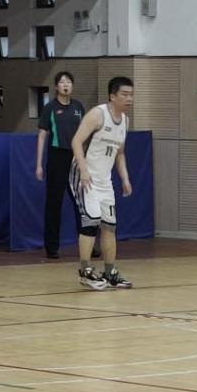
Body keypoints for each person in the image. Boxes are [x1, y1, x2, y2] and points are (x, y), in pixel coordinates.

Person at [70, 76, 135, 290]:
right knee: (91, 222)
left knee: (109, 225)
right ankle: (85, 271)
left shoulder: (125, 121)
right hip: (85, 175)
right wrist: (83, 170)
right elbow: (76, 141)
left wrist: (124, 177)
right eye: (124, 94)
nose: (129, 98)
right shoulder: (98, 114)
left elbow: (120, 153)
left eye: (131, 94)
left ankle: (110, 272)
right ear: (112, 96)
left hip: (105, 180)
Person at [34, 70, 86, 260]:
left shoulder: (78, 107)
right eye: (62, 82)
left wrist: (84, 160)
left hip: (76, 157)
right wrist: (39, 164)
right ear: (56, 86)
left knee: (82, 203)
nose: (65, 85)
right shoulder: (49, 108)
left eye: (68, 82)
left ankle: (87, 244)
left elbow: (84, 134)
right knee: (54, 204)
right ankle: (51, 247)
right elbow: (42, 136)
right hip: (57, 157)